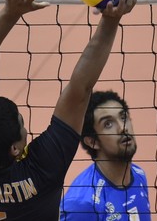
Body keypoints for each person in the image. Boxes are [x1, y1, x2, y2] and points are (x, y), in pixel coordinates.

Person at [0, 0, 137, 220]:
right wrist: (111, 19)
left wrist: (8, 15)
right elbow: (79, 89)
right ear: (15, 148)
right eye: (22, 124)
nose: (24, 126)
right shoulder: (42, 169)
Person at [60, 90, 151, 220]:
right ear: (93, 142)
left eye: (123, 117)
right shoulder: (82, 204)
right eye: (108, 124)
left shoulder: (138, 174)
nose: (122, 128)